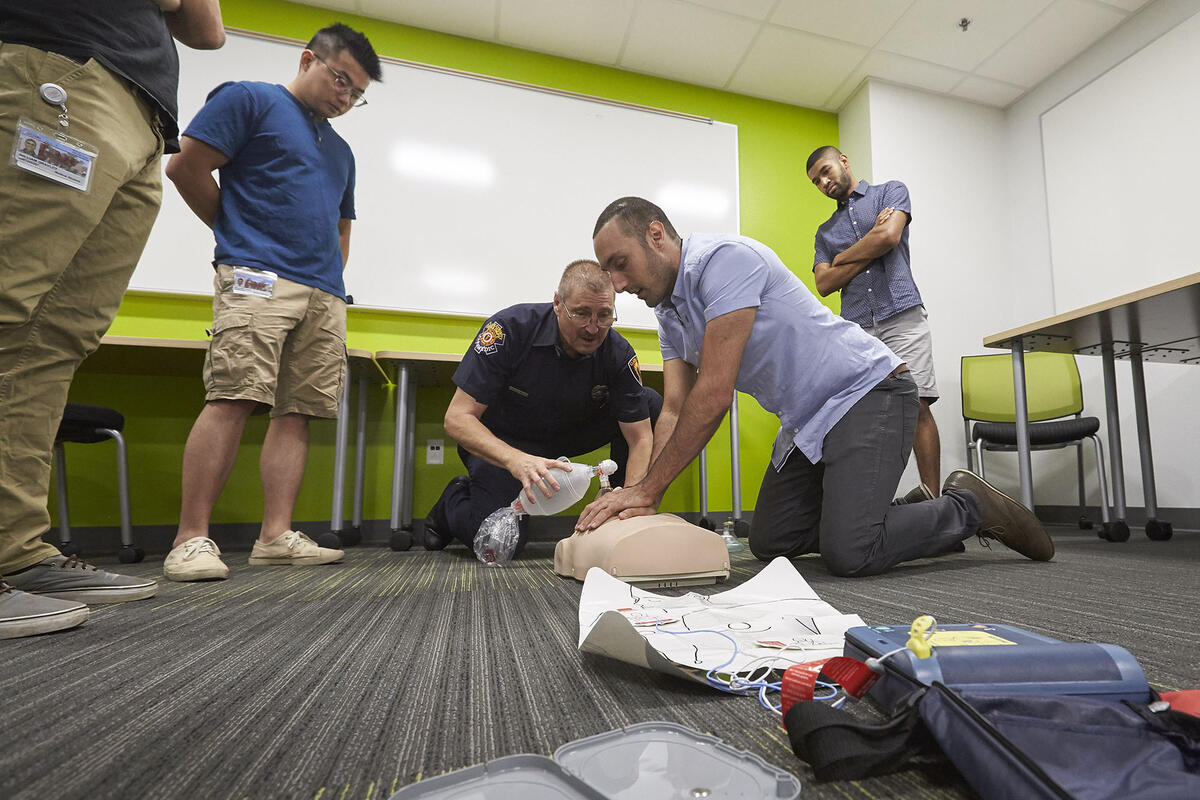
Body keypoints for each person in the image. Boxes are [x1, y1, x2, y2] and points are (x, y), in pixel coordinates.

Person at [577, 197, 1054, 578]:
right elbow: (674, 408)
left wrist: (645, 489)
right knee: (772, 541)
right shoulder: (668, 312)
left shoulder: (723, 261)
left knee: (852, 552)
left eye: (620, 263)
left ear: (656, 235)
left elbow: (715, 394)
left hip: (867, 391)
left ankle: (968, 506)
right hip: (807, 420)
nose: (616, 283)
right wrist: (641, 496)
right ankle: (898, 515)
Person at [0, 1, 224, 640]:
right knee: (8, 304)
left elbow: (206, 30)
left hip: (141, 113)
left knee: (51, 340)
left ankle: (14, 548)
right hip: (59, 65)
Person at [162, 23, 381, 583]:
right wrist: (239, 236)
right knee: (234, 395)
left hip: (324, 294)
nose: (346, 98)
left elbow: (341, 227)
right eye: (341, 80)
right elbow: (184, 166)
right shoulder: (251, 99)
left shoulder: (342, 152)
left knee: (298, 411)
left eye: (357, 93)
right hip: (257, 277)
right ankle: (190, 538)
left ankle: (275, 536)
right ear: (308, 60)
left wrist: (329, 281)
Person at [426, 259, 662, 558]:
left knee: (649, 402)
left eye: (604, 315)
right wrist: (516, 460)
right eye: (581, 314)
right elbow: (457, 418)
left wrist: (629, 495)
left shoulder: (618, 352)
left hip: (565, 435)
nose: (593, 328)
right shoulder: (509, 330)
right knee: (498, 543)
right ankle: (452, 502)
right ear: (557, 304)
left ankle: (612, 511)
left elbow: (640, 438)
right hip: (506, 441)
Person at [807, 146, 943, 499]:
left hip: (901, 313)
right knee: (863, 417)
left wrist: (841, 258)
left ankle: (934, 502)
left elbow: (889, 237)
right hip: (857, 329)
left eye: (825, 171)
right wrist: (872, 244)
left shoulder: (890, 192)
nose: (823, 182)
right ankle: (869, 506)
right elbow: (824, 283)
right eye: (816, 181)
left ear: (843, 161)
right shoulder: (824, 232)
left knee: (917, 405)